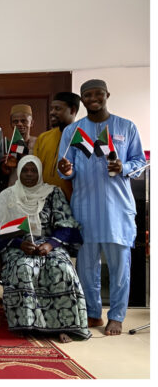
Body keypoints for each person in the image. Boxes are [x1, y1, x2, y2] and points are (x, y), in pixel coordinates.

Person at [57, 79, 146, 336]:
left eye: (98, 94)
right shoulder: (73, 131)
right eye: (87, 95)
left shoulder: (126, 127)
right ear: (82, 99)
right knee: (86, 267)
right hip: (85, 208)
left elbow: (139, 162)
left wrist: (123, 167)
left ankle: (116, 316)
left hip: (118, 209)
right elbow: (66, 167)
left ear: (107, 95)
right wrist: (67, 169)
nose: (93, 99)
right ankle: (93, 313)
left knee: (120, 266)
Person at [0, 156, 90, 343]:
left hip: (50, 244)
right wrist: (19, 244)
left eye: (33, 170)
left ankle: (64, 325)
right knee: (23, 267)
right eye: (25, 170)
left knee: (62, 268)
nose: (29, 174)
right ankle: (28, 323)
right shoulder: (8, 195)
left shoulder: (53, 193)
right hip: (17, 245)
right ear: (19, 172)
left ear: (39, 173)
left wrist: (49, 245)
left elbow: (67, 225)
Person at [33, 92, 79, 200]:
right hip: (44, 202)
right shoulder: (43, 138)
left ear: (72, 110)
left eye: (57, 109)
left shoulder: (81, 139)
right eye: (51, 109)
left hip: (72, 202)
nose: (52, 112)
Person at [0, 104, 36, 188]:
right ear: (11, 124)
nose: (19, 124)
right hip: (13, 189)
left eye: (23, 121)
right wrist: (5, 170)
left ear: (31, 123)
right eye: (15, 121)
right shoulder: (6, 145)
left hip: (35, 189)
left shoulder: (39, 143)